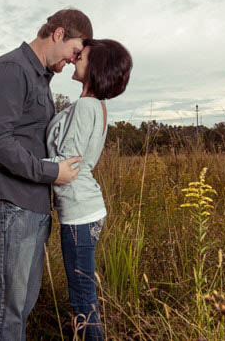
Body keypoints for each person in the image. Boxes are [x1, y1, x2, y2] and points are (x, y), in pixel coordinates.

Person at [0, 8, 92, 341]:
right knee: (6, 314)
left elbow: (22, 141)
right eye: (74, 52)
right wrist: (51, 171)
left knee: (22, 307)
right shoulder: (12, 69)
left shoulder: (40, 78)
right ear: (58, 34)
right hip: (12, 204)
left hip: (34, 206)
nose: (73, 61)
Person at [45, 39, 132, 341]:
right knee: (84, 296)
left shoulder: (85, 106)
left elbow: (64, 165)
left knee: (83, 301)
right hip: (88, 210)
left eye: (84, 55)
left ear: (97, 68)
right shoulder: (98, 106)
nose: (77, 56)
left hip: (79, 213)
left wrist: (18, 161)